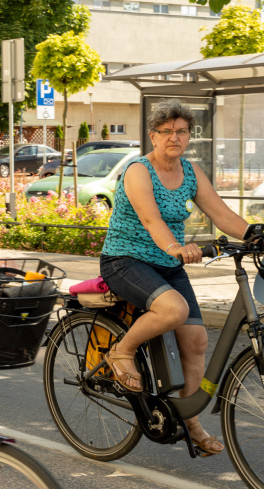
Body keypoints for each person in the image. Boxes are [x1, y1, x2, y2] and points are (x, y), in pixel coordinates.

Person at [99, 99, 248, 456]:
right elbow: (152, 220)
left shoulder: (190, 171)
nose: (174, 138)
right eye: (166, 131)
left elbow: (223, 214)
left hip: (167, 264)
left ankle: (190, 419)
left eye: (181, 131)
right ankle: (121, 351)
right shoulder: (138, 170)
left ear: (188, 136)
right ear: (153, 135)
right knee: (174, 310)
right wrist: (176, 247)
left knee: (196, 342)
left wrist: (256, 235)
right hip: (126, 260)